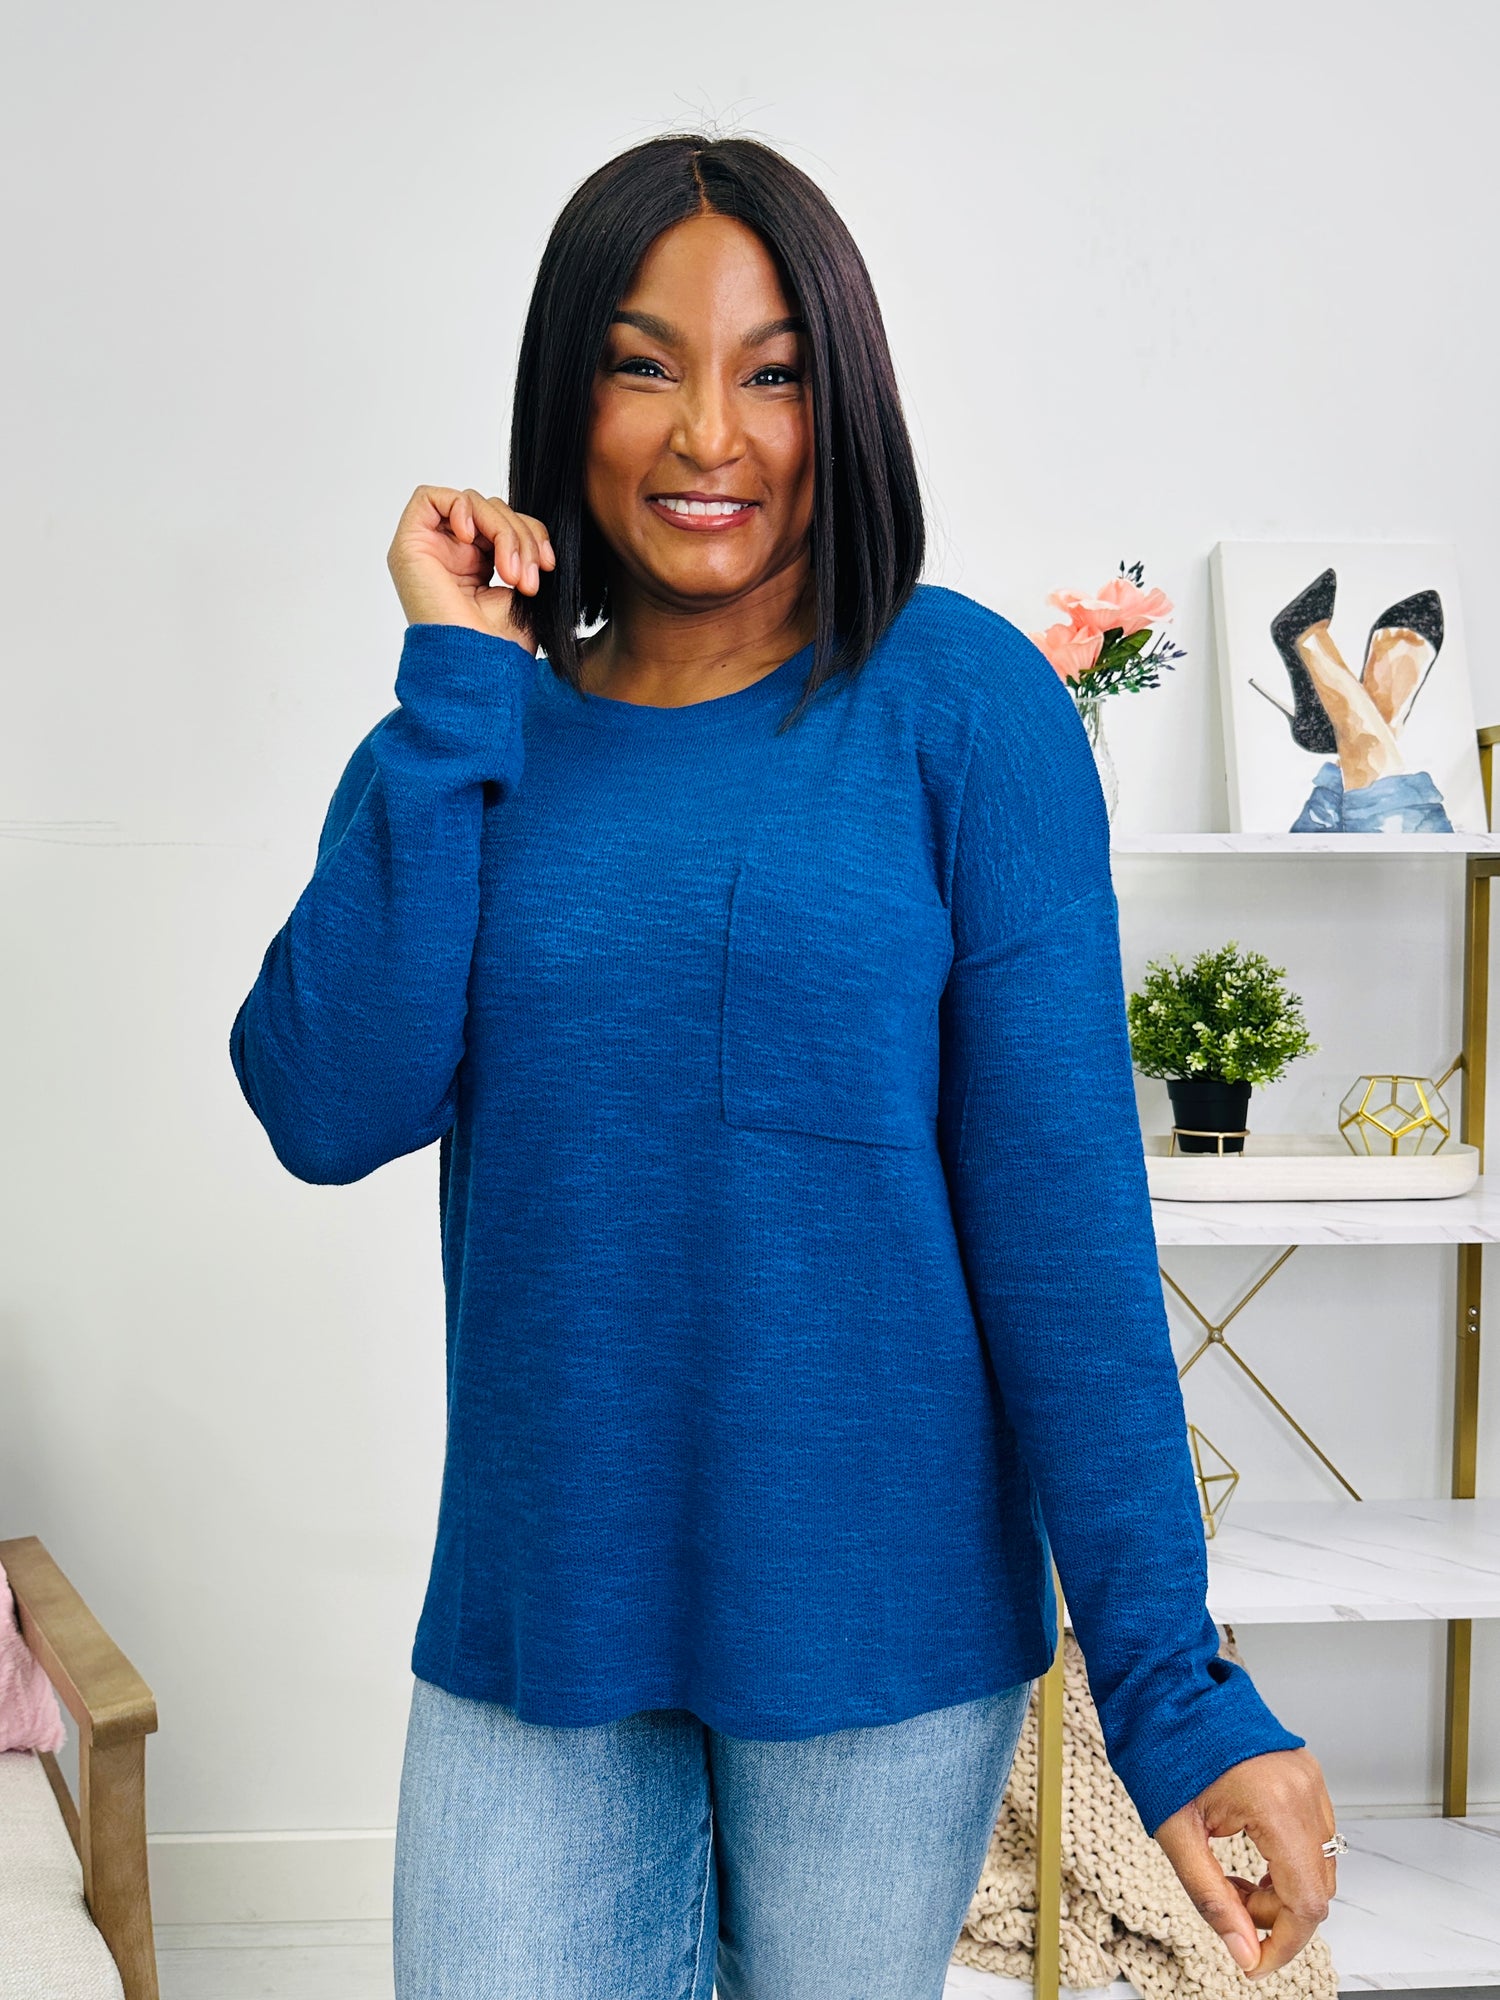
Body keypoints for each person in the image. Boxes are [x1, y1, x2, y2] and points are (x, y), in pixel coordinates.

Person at [229, 133, 1339, 1998]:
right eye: (643, 365)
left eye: (772, 373)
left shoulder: (960, 707)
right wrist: (454, 685)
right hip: (544, 1608)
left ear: (847, 404)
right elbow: (325, 1106)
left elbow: (1063, 1228)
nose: (708, 438)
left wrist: (1174, 1689)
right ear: (567, 393)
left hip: (880, 1636)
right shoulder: (474, 733)